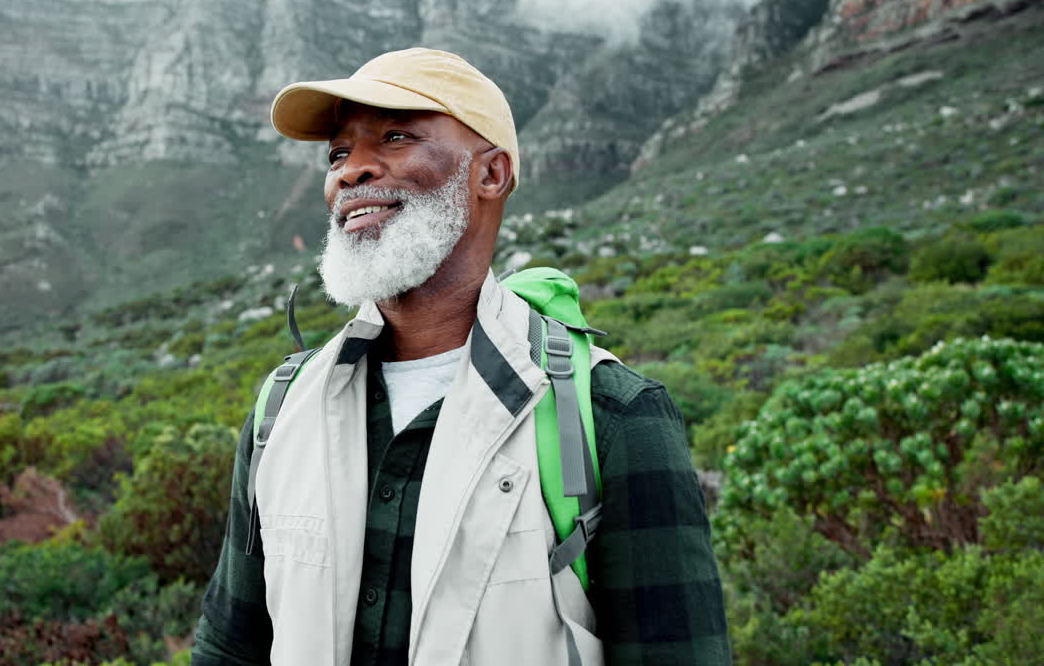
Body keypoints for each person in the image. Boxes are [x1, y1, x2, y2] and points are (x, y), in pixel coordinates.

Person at [191, 48, 730, 665]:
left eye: (395, 137)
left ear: (491, 174)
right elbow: (230, 645)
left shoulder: (613, 416)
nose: (352, 171)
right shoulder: (281, 410)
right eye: (339, 153)